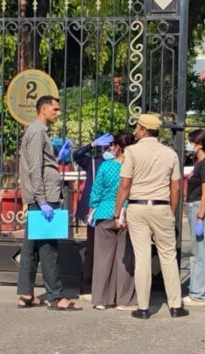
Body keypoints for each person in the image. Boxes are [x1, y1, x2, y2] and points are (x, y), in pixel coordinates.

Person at [114, 114, 188, 319]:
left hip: (137, 206)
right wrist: (171, 211)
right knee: (168, 255)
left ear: (144, 130)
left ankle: (144, 307)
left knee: (142, 257)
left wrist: (118, 211)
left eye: (137, 127)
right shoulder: (170, 154)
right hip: (161, 205)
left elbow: (125, 185)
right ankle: (175, 305)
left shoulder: (132, 151)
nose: (135, 130)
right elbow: (176, 188)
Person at [16, 95, 81, 311]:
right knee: (48, 248)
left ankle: (25, 293)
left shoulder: (37, 131)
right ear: (43, 109)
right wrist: (42, 200)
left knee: (31, 247)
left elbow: (41, 163)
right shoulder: (37, 132)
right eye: (55, 109)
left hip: (40, 197)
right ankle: (55, 296)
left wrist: (57, 159)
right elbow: (35, 168)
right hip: (44, 197)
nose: (58, 113)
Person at [58, 133, 114, 300]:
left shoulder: (119, 163)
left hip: (111, 210)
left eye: (112, 145)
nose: (109, 149)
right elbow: (77, 155)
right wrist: (91, 145)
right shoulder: (94, 162)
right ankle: (87, 287)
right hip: (94, 211)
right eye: (107, 146)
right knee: (92, 249)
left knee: (108, 250)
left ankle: (106, 288)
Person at [89, 132, 137, 311]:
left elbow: (96, 190)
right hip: (127, 212)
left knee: (103, 258)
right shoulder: (134, 167)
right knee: (125, 258)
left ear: (116, 147)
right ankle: (125, 300)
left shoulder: (106, 166)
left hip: (104, 212)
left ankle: (101, 299)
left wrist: (93, 207)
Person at [183, 129, 205, 307]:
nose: (189, 145)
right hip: (197, 207)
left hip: (199, 208)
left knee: (199, 253)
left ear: (198, 144)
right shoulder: (202, 163)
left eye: (191, 142)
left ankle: (198, 294)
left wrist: (199, 217)